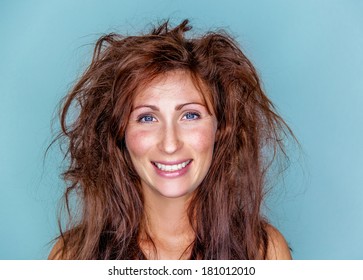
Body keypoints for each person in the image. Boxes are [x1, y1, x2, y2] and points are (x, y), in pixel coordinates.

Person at [49, 19, 293, 260]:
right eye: (146, 118)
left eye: (190, 115)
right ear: (118, 132)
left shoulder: (265, 252)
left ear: (221, 128)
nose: (170, 144)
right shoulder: (71, 256)